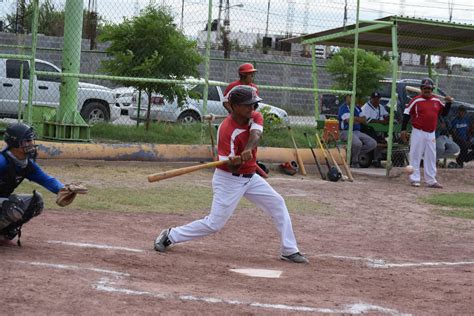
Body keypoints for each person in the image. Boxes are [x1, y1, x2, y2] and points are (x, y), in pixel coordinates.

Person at [154, 85, 308, 264]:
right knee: (214, 224)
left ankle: (289, 250)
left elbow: (256, 134)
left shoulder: (254, 115)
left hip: (251, 177)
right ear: (234, 106)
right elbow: (232, 168)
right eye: (247, 105)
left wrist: (248, 150)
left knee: (278, 204)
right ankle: (170, 235)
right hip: (229, 180)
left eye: (253, 105)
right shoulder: (227, 130)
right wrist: (237, 161)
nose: (252, 108)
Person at [0, 123, 74, 246]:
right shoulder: (2, 161)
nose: (31, 144)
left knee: (36, 202)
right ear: (15, 142)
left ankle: (4, 232)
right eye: (27, 141)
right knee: (13, 206)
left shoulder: (26, 164)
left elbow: (46, 180)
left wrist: (64, 189)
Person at [400, 78, 453, 188]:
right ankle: (415, 179)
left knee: (431, 156)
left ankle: (431, 180)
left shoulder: (436, 100)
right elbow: (406, 114)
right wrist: (403, 129)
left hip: (431, 133)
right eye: (424, 88)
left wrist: (448, 103)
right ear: (421, 89)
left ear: (432, 89)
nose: (427, 90)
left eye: (429, 88)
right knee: (415, 155)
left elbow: (443, 114)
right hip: (418, 132)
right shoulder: (415, 100)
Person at [337, 94, 377, 168]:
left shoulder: (357, 108)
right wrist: (357, 119)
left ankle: (351, 155)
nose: (353, 98)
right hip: (345, 131)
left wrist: (354, 118)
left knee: (372, 143)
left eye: (354, 97)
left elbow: (364, 120)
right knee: (358, 143)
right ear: (347, 98)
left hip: (357, 132)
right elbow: (349, 121)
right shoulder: (343, 108)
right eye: (351, 97)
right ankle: (354, 161)